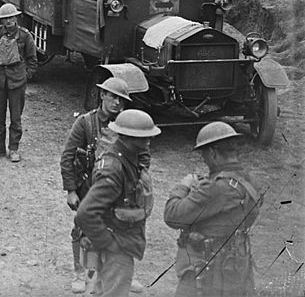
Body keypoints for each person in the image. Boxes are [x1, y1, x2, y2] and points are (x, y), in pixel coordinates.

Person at [61, 77, 146, 294]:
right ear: (102, 95)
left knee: (121, 227)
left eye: (122, 100)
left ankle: (120, 273)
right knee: (82, 230)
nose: (117, 103)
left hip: (120, 190)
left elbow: (144, 156)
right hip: (89, 185)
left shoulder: (128, 125)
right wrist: (71, 190)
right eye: (113, 97)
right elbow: (68, 156)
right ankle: (81, 273)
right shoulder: (86, 123)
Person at [164, 122, 261, 297]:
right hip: (235, 268)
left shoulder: (215, 188)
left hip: (205, 270)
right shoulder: (251, 181)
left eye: (203, 154)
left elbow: (172, 216)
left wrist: (183, 186)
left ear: (213, 153)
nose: (203, 159)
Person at [75, 110, 160, 297]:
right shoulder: (114, 168)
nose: (148, 142)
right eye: (144, 138)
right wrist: (107, 242)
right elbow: (85, 213)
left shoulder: (126, 158)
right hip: (115, 247)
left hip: (118, 240)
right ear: (129, 138)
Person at [0, 3, 37, 162]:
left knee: (16, 118)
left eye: (11, 17)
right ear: (1, 20)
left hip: (17, 83)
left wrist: (25, 76)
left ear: (16, 18)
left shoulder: (25, 36)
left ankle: (13, 149)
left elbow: (32, 60)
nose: (9, 21)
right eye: (5, 19)